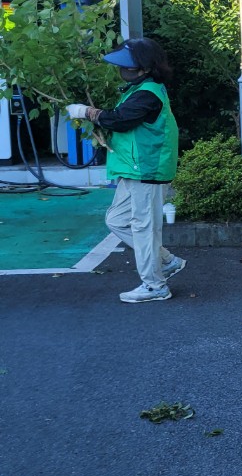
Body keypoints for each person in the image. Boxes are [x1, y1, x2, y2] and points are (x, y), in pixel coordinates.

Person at [67, 38, 184, 304]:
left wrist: (86, 112)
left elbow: (120, 120)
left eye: (127, 66)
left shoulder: (148, 93)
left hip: (147, 170)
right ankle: (166, 261)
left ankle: (155, 286)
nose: (122, 70)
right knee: (117, 220)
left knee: (144, 229)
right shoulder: (140, 88)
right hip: (136, 170)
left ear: (144, 68)